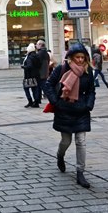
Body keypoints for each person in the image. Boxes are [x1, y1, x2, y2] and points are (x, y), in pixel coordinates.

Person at [43, 43, 96, 188]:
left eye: (82, 57)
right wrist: (56, 102)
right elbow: (48, 85)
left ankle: (80, 172)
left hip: (81, 110)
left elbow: (91, 90)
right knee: (66, 141)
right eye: (77, 57)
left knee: (81, 141)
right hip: (64, 109)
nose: (80, 60)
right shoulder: (62, 69)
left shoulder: (87, 71)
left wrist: (89, 104)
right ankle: (60, 156)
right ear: (71, 57)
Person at [21, 43, 41, 108]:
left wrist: (24, 67)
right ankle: (36, 102)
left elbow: (29, 66)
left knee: (26, 88)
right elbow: (39, 65)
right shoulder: (37, 56)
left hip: (28, 76)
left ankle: (30, 101)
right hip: (36, 75)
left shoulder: (29, 57)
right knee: (35, 89)